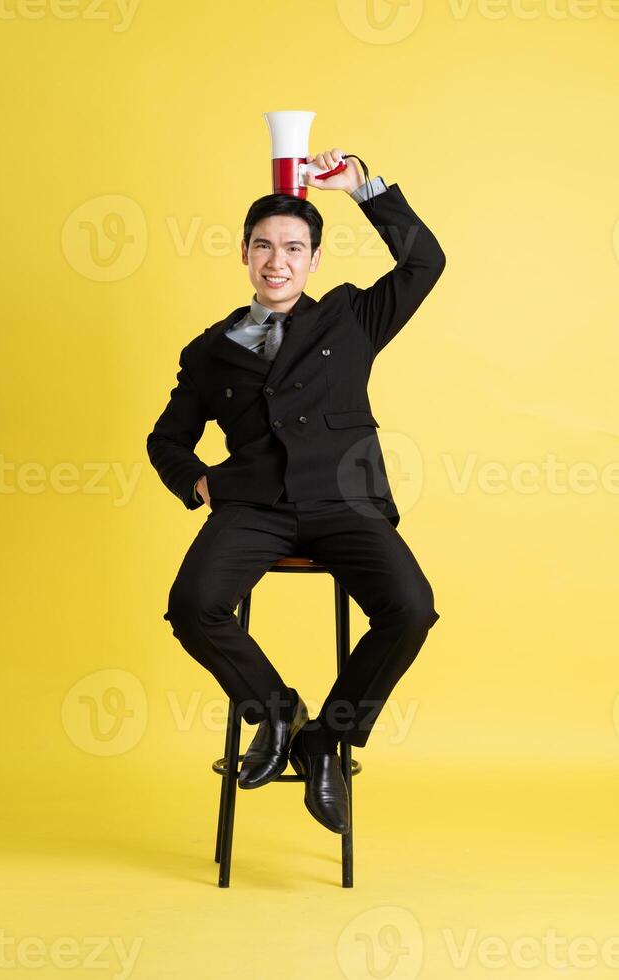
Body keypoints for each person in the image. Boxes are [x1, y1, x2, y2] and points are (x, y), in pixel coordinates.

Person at [146, 149, 446, 834]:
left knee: (411, 610)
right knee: (192, 606)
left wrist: (361, 189)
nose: (277, 261)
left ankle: (325, 741)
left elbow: (425, 262)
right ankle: (277, 712)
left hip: (347, 503)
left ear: (313, 260)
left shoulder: (350, 318)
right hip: (253, 506)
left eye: (293, 248)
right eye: (264, 247)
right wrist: (193, 481)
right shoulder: (210, 349)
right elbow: (166, 438)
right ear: (244, 255)